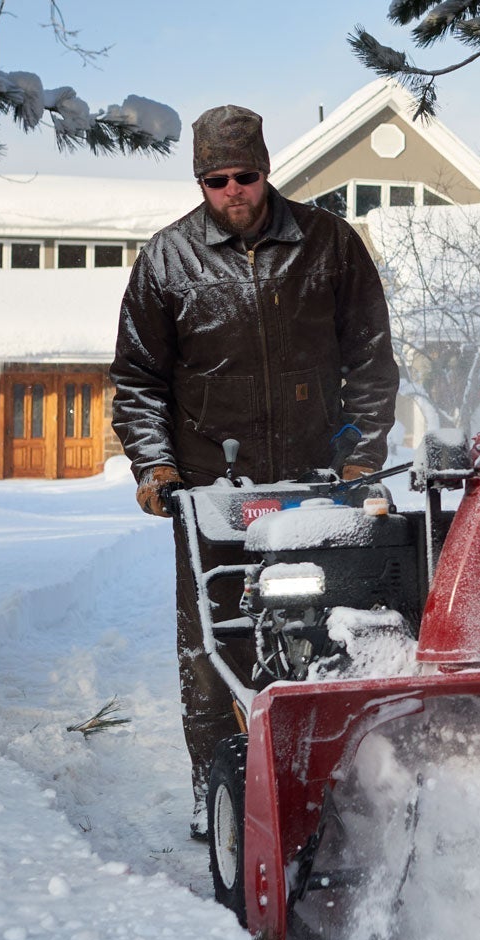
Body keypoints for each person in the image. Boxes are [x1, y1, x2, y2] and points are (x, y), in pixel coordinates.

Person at [110, 104, 398, 837]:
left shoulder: (328, 244)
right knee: (214, 645)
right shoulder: (167, 260)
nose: (233, 190)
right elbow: (138, 382)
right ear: (200, 181)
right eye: (217, 180)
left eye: (245, 175)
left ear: (266, 171)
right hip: (212, 492)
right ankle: (219, 794)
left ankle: (338, 785)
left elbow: (370, 359)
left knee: (331, 629)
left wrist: (361, 452)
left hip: (316, 485)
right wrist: (156, 467)